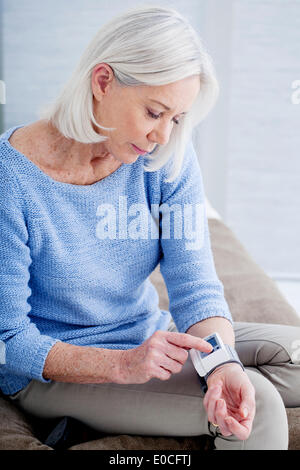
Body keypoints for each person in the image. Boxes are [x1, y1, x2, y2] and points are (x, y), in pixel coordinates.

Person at [0, 5, 299, 450]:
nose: (165, 135)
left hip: (149, 337)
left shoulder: (163, 157)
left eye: (177, 119)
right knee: (261, 406)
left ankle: (120, 412)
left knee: (273, 363)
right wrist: (120, 367)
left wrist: (220, 365)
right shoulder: (12, 181)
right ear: (103, 82)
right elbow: (9, 341)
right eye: (155, 112)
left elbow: (195, 285)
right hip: (53, 370)